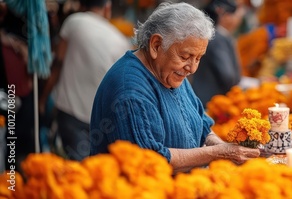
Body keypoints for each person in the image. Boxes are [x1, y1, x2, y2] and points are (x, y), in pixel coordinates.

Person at [90, 2, 260, 173]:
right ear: (156, 45)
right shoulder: (130, 90)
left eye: (198, 58)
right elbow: (152, 159)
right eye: (186, 56)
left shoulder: (170, 73)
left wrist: (224, 148)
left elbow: (202, 125)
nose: (192, 68)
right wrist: (217, 153)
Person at [39, 0, 131, 161]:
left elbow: (57, 64)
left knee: (74, 169)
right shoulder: (121, 40)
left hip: (70, 112)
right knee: (92, 173)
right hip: (103, 119)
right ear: (107, 8)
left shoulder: (74, 22)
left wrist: (43, 98)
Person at [190, 0, 245, 107]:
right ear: (224, 15)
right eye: (236, 15)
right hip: (211, 102)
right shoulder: (217, 39)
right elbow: (228, 76)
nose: (238, 20)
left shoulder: (218, 36)